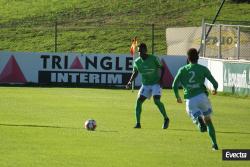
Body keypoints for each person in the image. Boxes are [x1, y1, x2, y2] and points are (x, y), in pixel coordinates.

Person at [172, 48, 219, 150]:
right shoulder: (203, 69)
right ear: (198, 58)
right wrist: (214, 90)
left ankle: (198, 121)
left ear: (188, 58)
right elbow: (215, 83)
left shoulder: (182, 70)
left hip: (190, 99)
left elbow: (174, 85)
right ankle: (214, 144)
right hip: (203, 97)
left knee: (195, 116)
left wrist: (177, 97)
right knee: (209, 121)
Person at [126, 43, 169, 129]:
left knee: (156, 101)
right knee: (139, 101)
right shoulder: (137, 62)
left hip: (155, 83)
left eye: (141, 51)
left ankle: (166, 118)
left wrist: (161, 80)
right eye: (138, 51)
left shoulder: (153, 58)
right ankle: (138, 123)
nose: (140, 53)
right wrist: (130, 82)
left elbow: (162, 67)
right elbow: (135, 72)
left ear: (146, 50)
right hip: (145, 84)